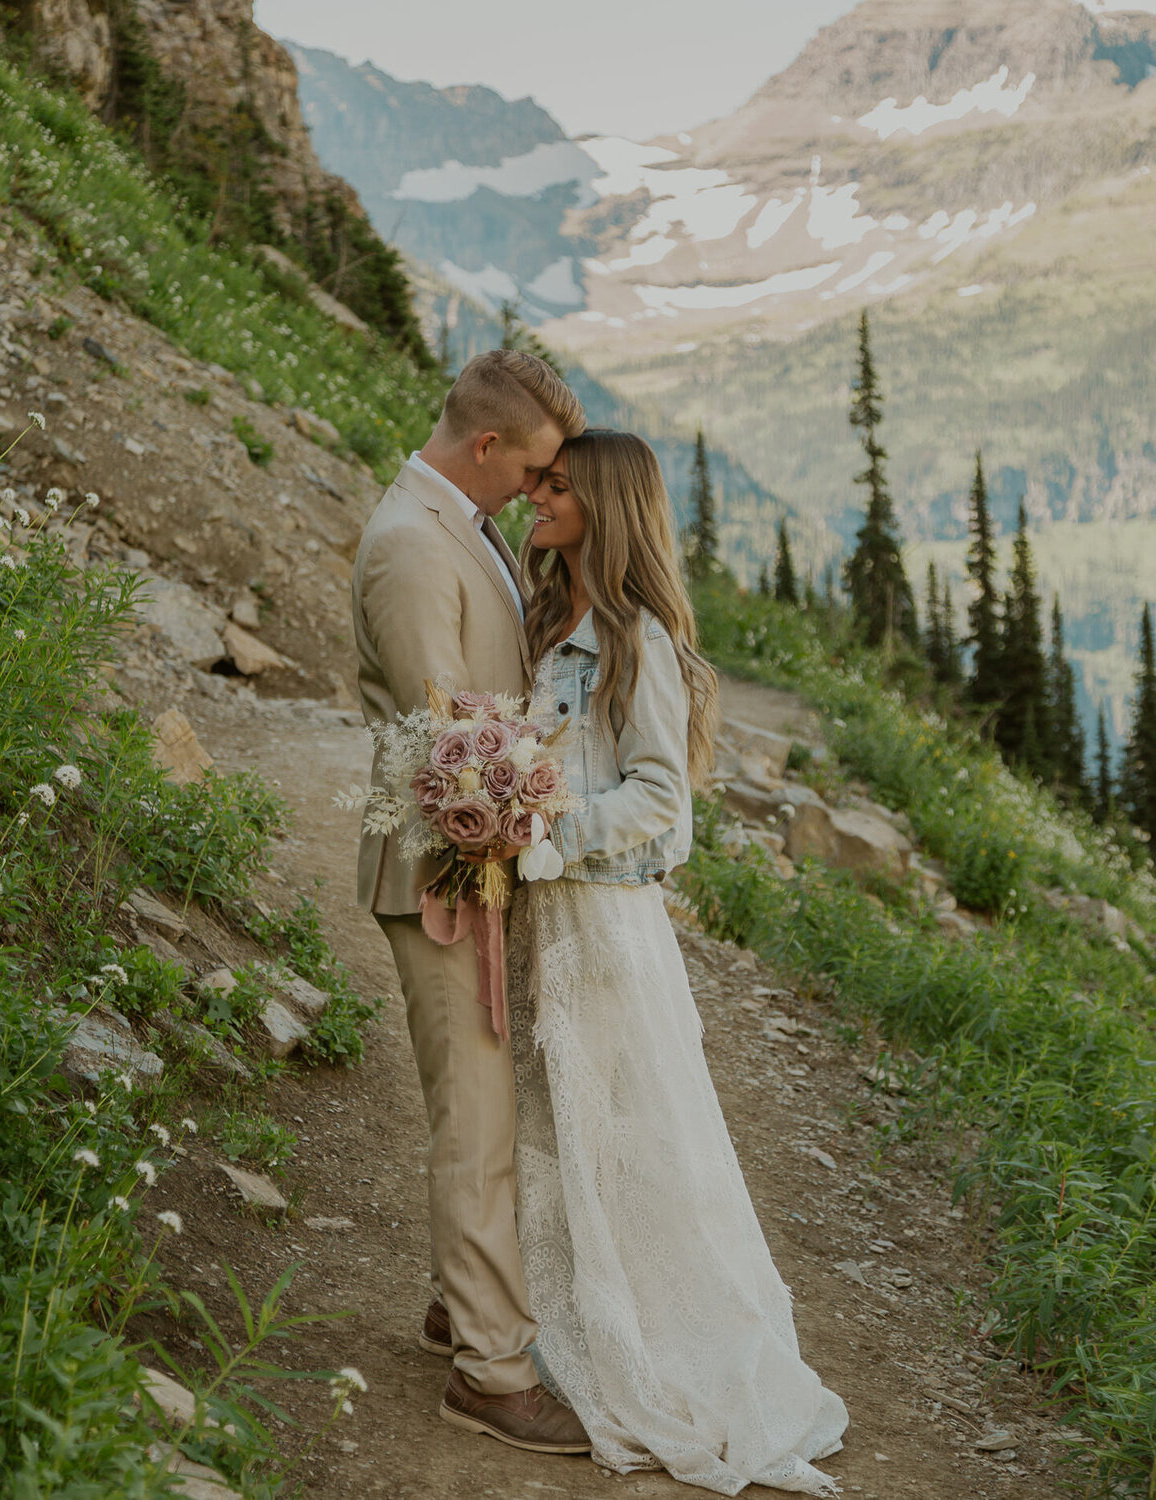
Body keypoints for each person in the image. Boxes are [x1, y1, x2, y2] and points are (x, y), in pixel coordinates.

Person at [508, 428, 849, 1494]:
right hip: (543, 913)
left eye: (559, 488)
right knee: (548, 1126)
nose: (538, 495)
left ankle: (651, 1346)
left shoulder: (635, 637)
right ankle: (548, 1317)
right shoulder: (545, 610)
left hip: (603, 923)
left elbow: (662, 798)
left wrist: (543, 832)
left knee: (628, 1136)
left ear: (604, 508)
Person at [351, 349, 591, 1454]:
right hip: (443, 868)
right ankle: (492, 1372)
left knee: (486, 1102)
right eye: (534, 469)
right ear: (485, 446)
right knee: (477, 1116)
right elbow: (448, 742)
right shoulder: (409, 545)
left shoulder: (465, 523)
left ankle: (464, 1300)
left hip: (479, 863)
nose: (541, 492)